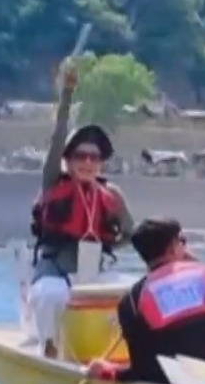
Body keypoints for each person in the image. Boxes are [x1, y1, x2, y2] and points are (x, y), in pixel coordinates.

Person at [27, 63, 135, 358]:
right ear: (69, 160)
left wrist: (111, 243)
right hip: (55, 268)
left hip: (94, 270)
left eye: (94, 157)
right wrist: (67, 94)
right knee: (51, 295)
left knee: (136, 292)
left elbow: (132, 234)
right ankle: (49, 347)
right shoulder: (53, 183)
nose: (88, 163)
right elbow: (57, 138)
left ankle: (125, 353)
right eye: (80, 156)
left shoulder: (111, 194)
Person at [84, 218, 205, 384]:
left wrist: (109, 370)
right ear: (172, 248)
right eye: (182, 242)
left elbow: (142, 370)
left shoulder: (131, 301)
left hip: (166, 382)